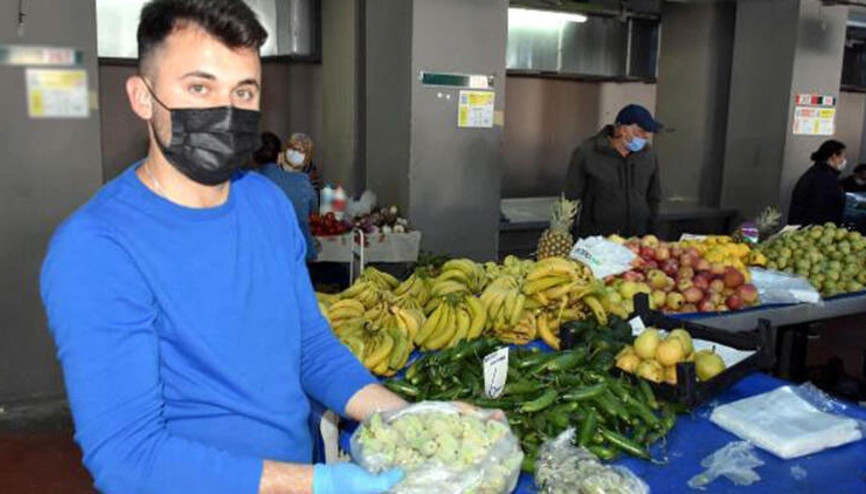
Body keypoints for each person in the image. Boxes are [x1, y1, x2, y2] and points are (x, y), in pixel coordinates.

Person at [39, 2, 409, 493]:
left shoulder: (268, 205)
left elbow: (311, 350)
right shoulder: (95, 249)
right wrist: (319, 484)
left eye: (244, 90)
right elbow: (130, 460)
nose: (225, 110)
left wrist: (413, 419)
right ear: (141, 97)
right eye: (199, 87)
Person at [564, 104, 662, 237]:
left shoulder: (648, 155)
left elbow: (654, 196)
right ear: (623, 130)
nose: (646, 136)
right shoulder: (588, 152)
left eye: (648, 132)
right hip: (597, 241)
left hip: (638, 240)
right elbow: (571, 197)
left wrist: (652, 234)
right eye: (642, 131)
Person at [257, 132, 319, 261]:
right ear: (280, 156)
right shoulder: (302, 181)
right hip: (299, 256)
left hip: (263, 257)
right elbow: (314, 212)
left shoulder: (242, 185)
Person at [788, 139, 847, 226]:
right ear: (834, 156)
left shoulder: (816, 172)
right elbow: (823, 208)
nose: (844, 160)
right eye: (842, 157)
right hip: (813, 229)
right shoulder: (825, 178)